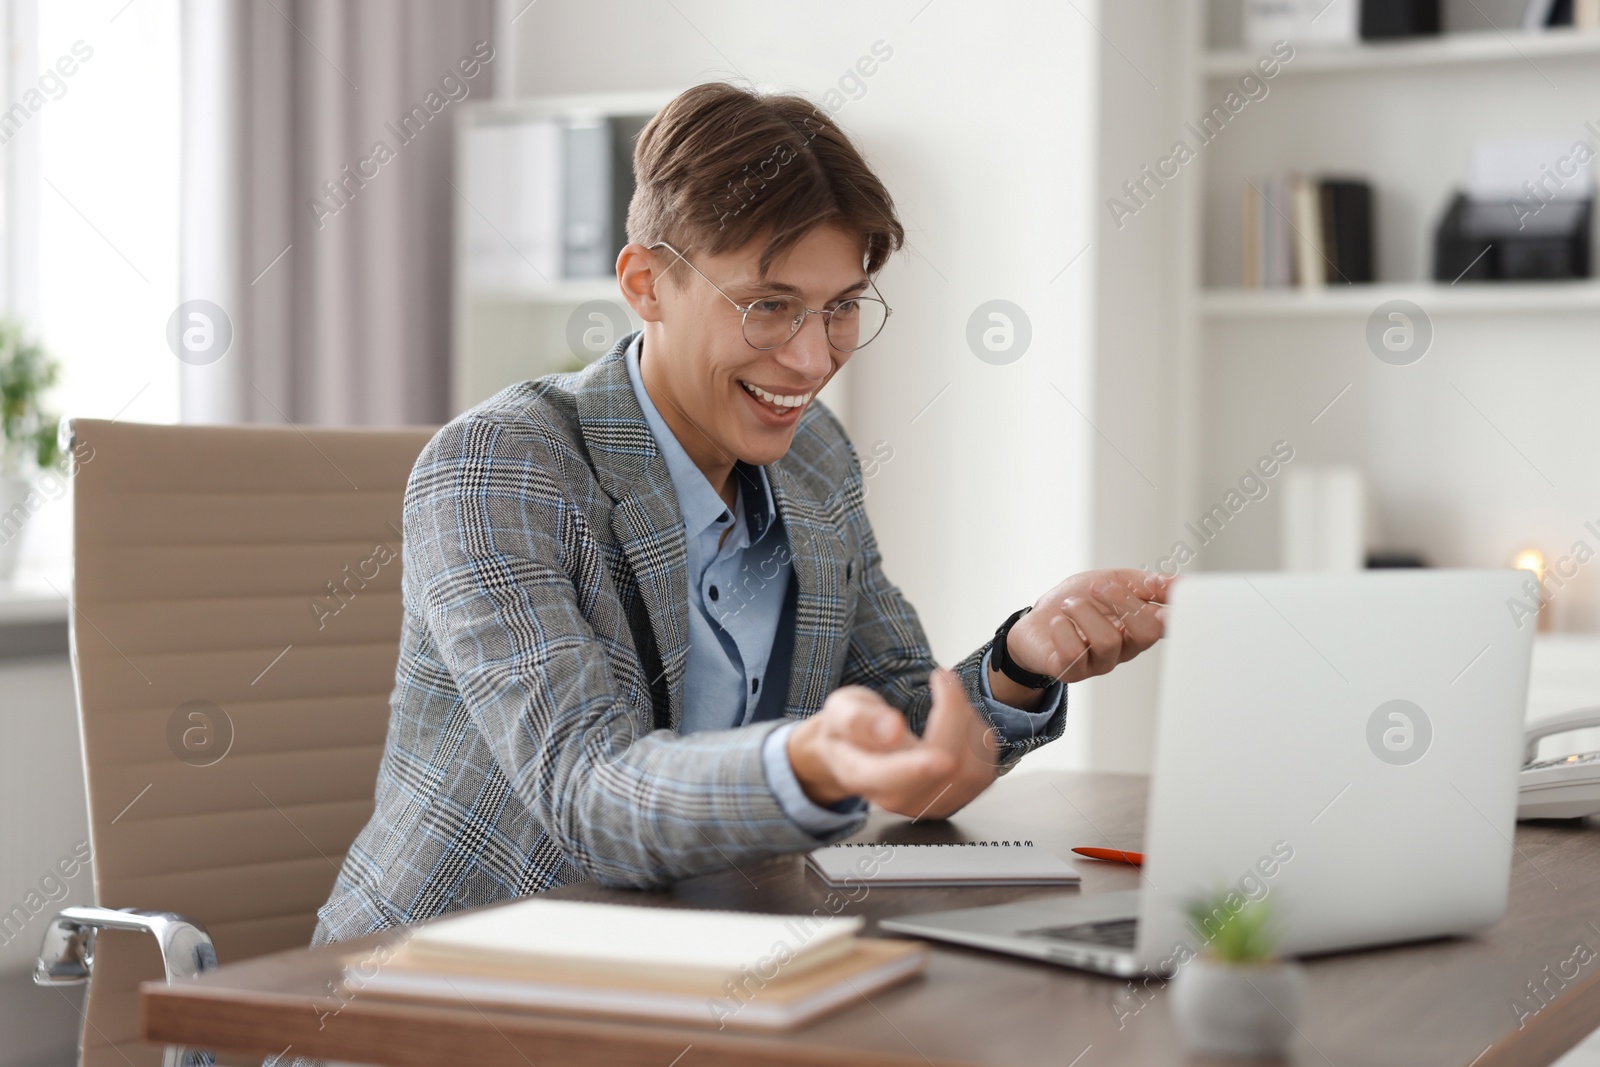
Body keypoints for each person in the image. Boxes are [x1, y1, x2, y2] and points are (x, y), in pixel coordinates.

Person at [311, 81, 1170, 944]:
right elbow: (589, 797)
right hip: (445, 979)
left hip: (708, 963)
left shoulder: (815, 458)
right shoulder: (503, 466)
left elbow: (911, 750)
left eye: (840, 308)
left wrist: (1021, 662)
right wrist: (803, 761)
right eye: (769, 306)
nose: (808, 358)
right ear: (646, 284)